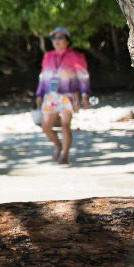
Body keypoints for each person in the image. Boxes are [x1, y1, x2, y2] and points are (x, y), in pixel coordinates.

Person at [34, 27, 90, 164]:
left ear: (67, 40)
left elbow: (83, 76)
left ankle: (64, 155)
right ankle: (58, 146)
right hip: (51, 95)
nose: (56, 40)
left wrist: (85, 94)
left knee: (65, 125)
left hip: (68, 94)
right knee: (46, 127)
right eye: (54, 38)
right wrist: (39, 94)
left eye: (60, 37)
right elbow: (43, 76)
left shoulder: (75, 56)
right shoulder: (48, 56)